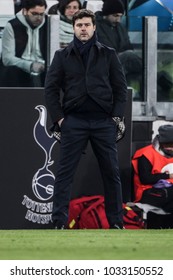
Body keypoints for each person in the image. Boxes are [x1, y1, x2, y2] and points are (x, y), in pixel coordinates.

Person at [44, 9, 128, 229]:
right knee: (64, 174)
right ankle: (59, 223)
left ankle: (117, 222)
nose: (83, 28)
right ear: (73, 27)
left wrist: (116, 117)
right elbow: (50, 89)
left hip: (103, 122)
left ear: (94, 27)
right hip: (74, 121)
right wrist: (60, 119)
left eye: (86, 25)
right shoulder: (61, 56)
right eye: (79, 25)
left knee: (111, 173)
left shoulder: (108, 54)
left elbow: (121, 89)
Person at [95, 0, 142, 99]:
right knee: (129, 57)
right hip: (104, 63)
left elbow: (128, 46)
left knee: (135, 65)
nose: (118, 20)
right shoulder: (96, 26)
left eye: (120, 16)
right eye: (116, 16)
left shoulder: (120, 28)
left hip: (120, 62)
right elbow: (103, 47)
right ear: (107, 14)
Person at [0, 0, 48, 87]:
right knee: (11, 71)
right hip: (19, 69)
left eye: (41, 14)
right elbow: (7, 58)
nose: (39, 18)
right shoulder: (13, 25)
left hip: (44, 68)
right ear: (25, 11)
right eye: (34, 14)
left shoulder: (49, 24)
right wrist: (29, 65)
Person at [132, 124, 173, 213]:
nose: (171, 148)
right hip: (147, 191)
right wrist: (168, 176)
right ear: (160, 142)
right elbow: (145, 179)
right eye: (168, 144)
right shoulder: (146, 154)